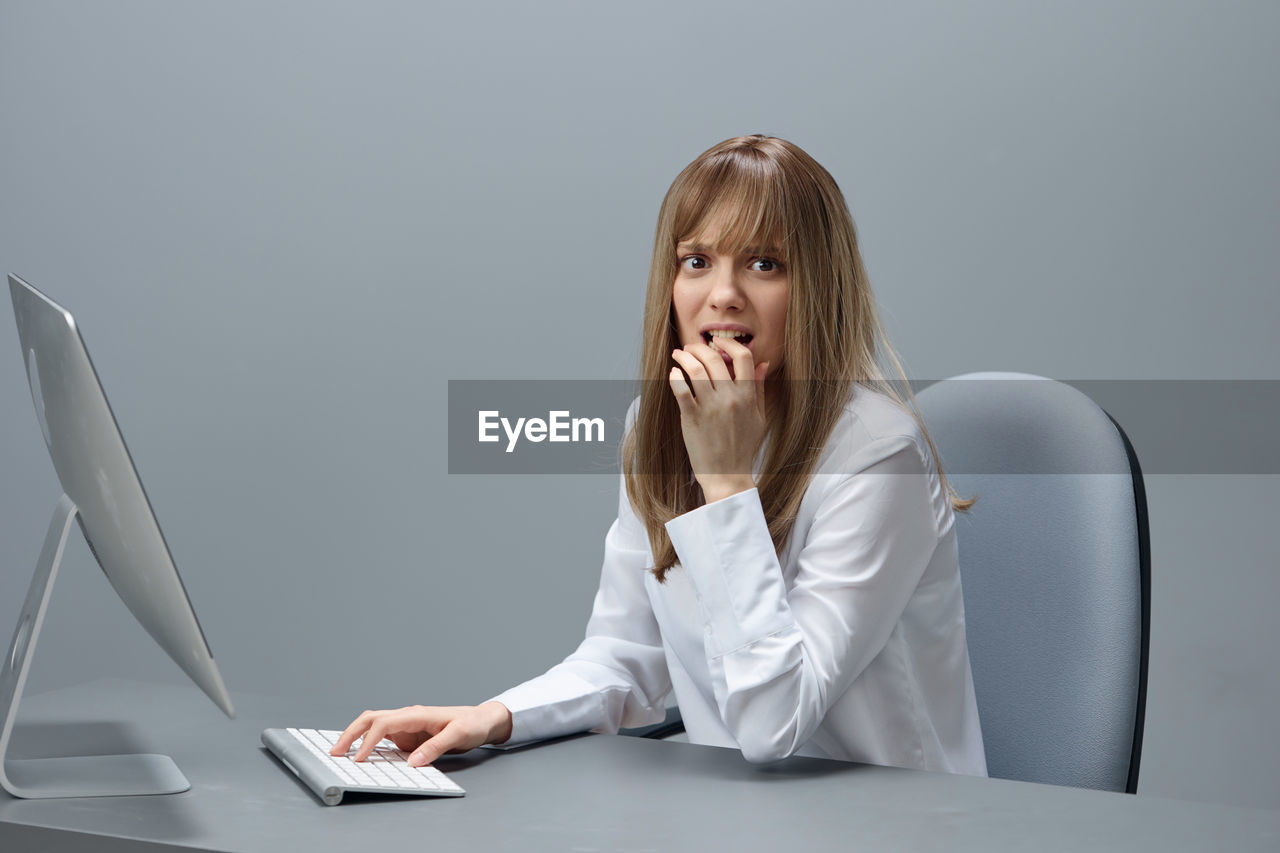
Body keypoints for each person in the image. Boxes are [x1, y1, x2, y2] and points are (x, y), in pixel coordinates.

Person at [331, 135, 987, 776]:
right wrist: (494, 716)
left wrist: (726, 482)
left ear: (819, 285)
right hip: (740, 824)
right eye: (697, 260)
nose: (723, 293)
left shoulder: (877, 457)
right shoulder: (659, 427)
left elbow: (773, 723)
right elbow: (624, 653)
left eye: (765, 264)